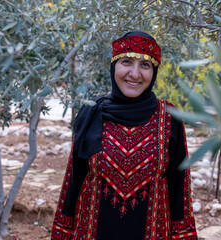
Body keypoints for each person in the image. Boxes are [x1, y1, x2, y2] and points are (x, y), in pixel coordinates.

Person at [51, 30, 198, 240]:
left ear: (154, 71)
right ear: (114, 66)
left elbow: (179, 189)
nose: (135, 74)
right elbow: (73, 182)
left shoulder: (169, 117)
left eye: (145, 65)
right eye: (127, 61)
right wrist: (62, 233)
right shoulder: (92, 111)